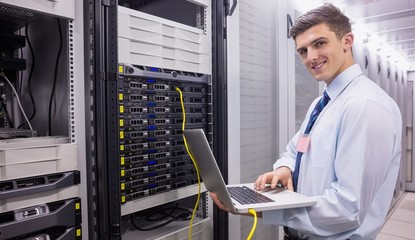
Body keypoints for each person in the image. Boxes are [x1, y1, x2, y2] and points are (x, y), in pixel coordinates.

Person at [210, 3, 402, 240]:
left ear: (347, 41)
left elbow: (346, 209)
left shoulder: (364, 106)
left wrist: (260, 210)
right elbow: (297, 149)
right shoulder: (322, 103)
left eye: (319, 43)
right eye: (303, 51)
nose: (311, 57)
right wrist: (284, 167)